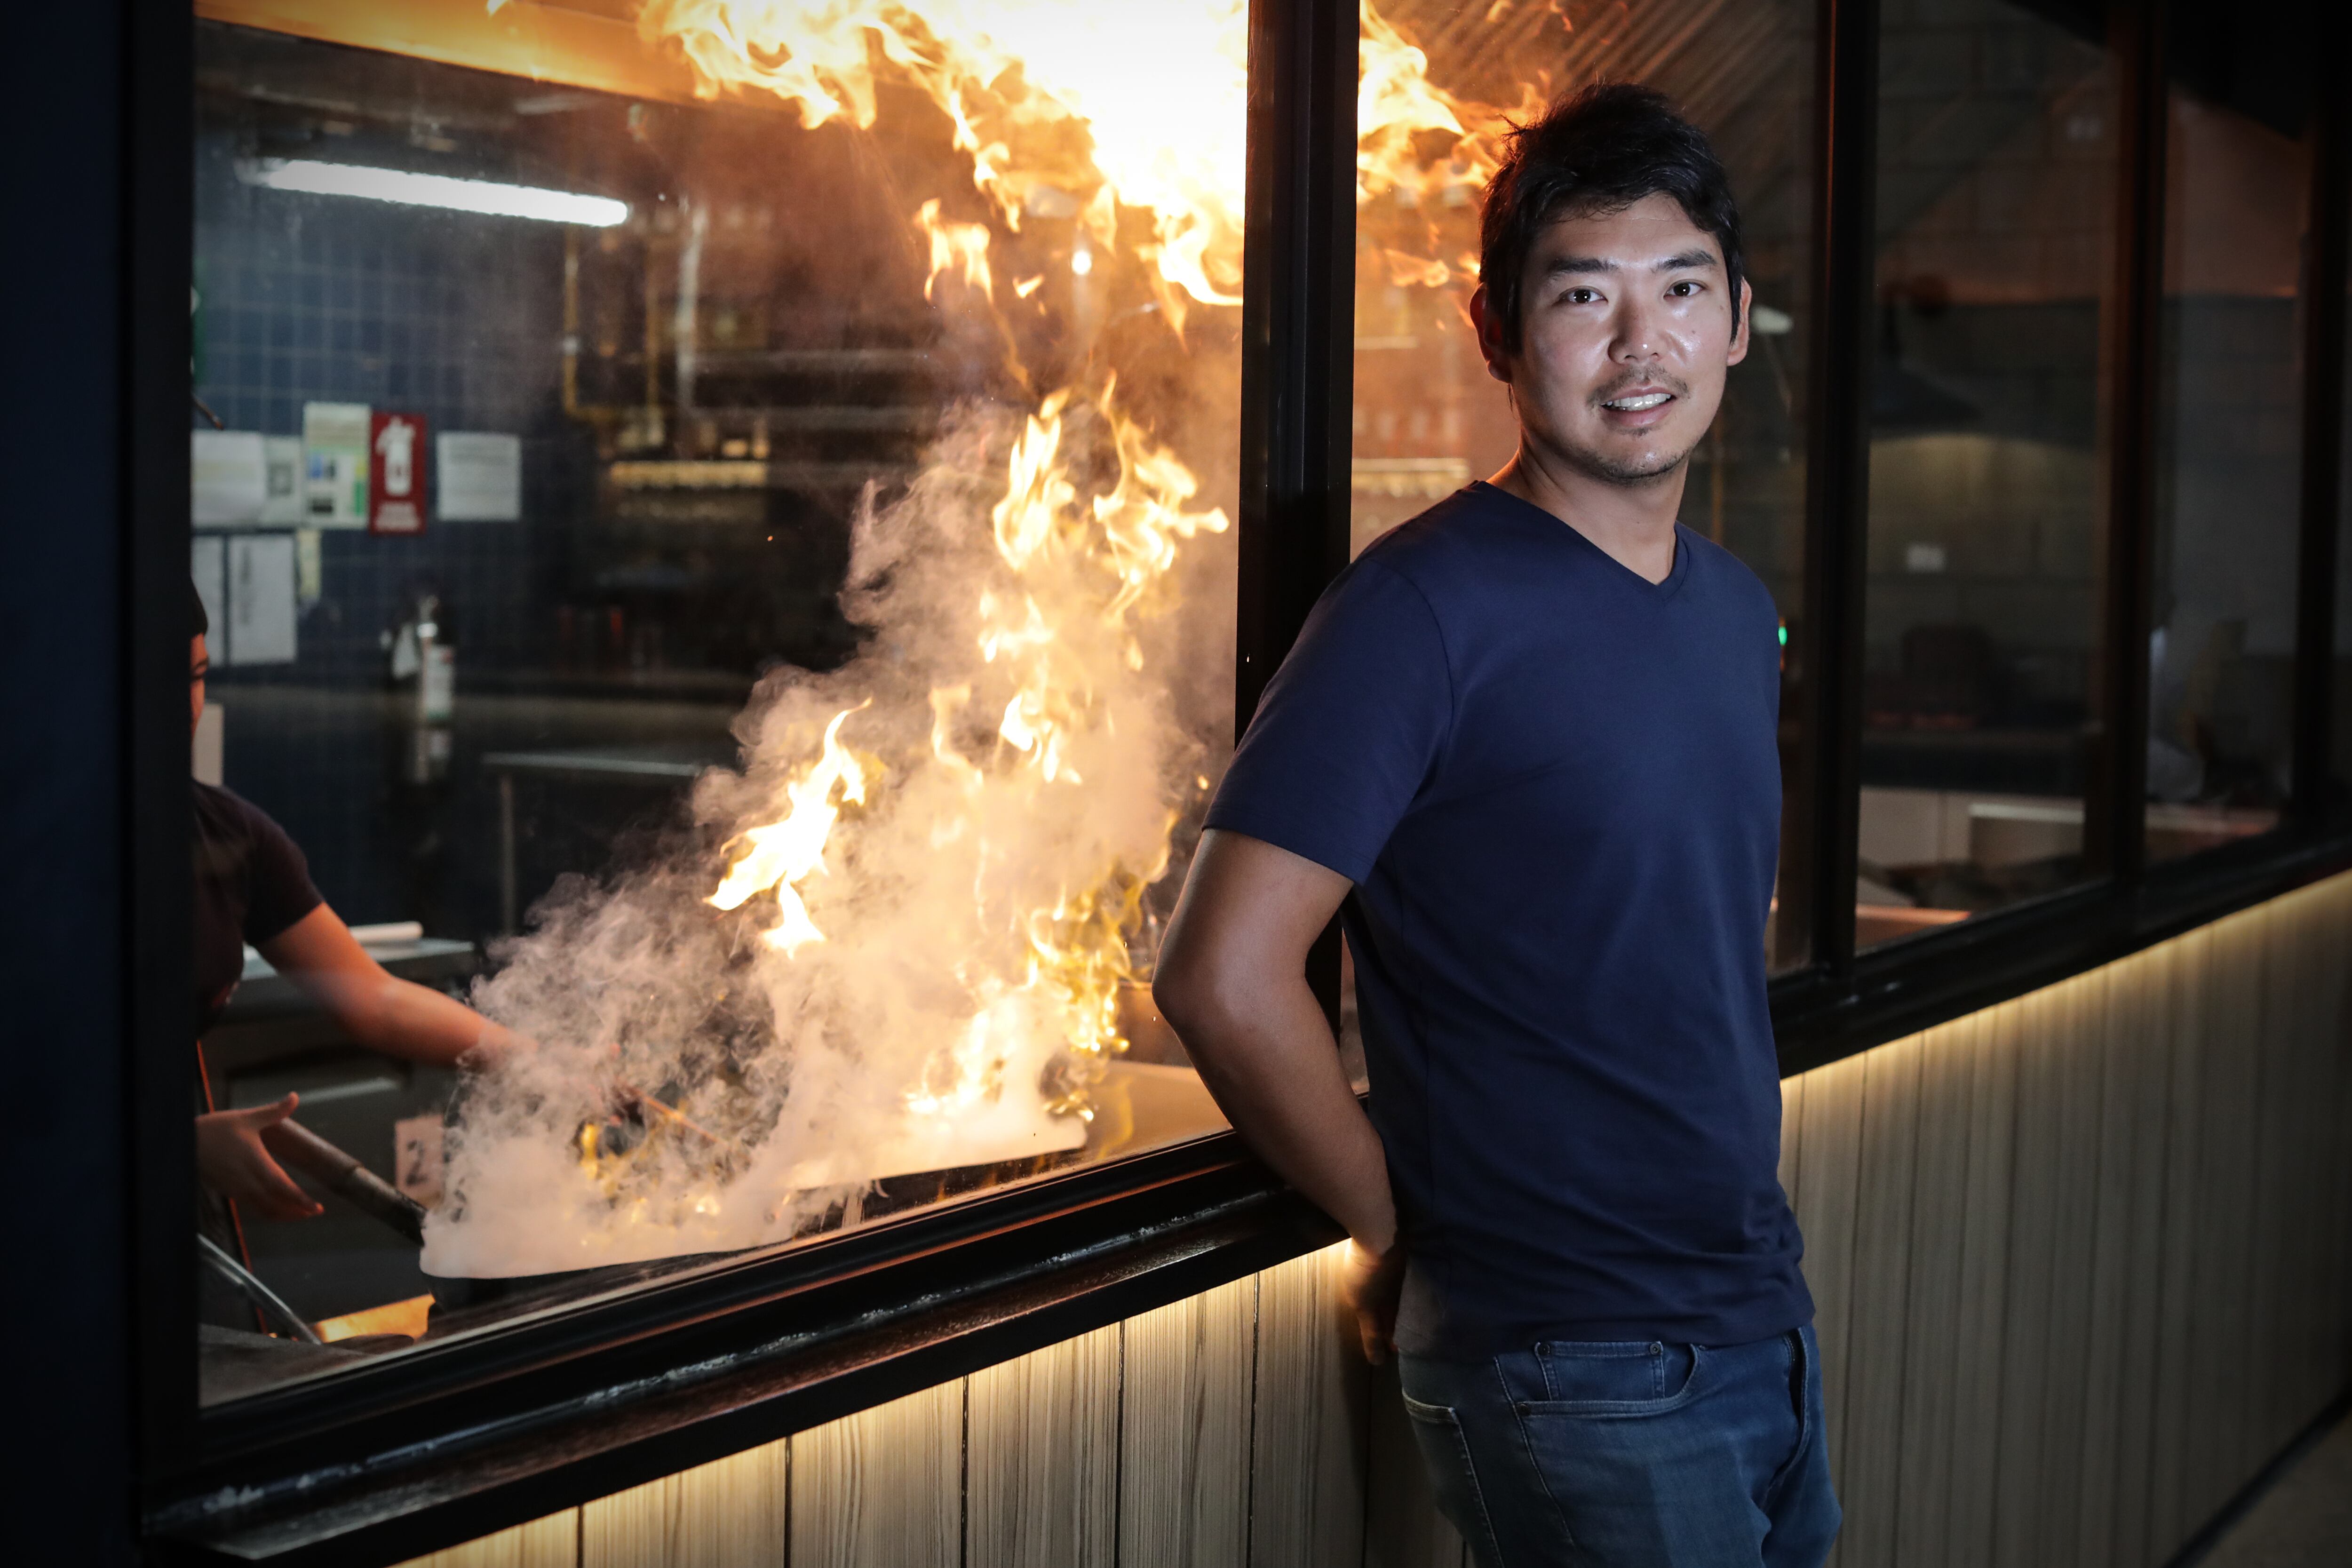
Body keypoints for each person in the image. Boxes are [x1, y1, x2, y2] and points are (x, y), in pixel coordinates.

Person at [1152, 85, 1837, 1567]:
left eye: (1680, 289)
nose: (1638, 344)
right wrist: (1396, 1223)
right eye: (1585, 295)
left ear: (1737, 320)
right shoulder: (1420, 610)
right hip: (1572, 1364)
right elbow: (1221, 973)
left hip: (1758, 1315)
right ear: (1500, 333)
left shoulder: (1730, 607)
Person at [192, 584, 521, 1224]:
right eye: (157, 678)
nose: (184, 705)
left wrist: (533, 1058)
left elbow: (376, 999)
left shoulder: (232, 834)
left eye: (197, 676)